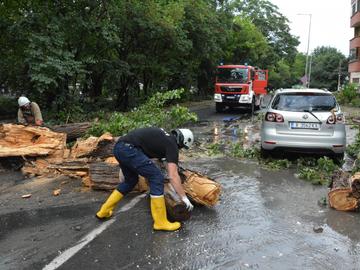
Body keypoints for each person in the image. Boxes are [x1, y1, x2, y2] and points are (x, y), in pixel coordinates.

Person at [96, 127, 194, 231]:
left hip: (119, 148)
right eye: (182, 147)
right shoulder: (172, 144)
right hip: (130, 150)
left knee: (131, 181)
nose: (180, 149)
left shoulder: (165, 138)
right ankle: (160, 222)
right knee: (156, 177)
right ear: (182, 142)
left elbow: (165, 163)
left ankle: (104, 211)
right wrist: (184, 198)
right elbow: (173, 175)